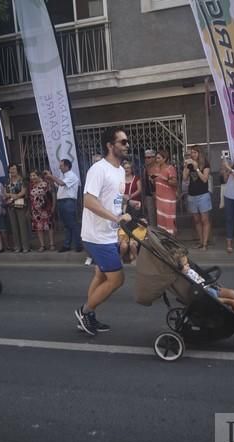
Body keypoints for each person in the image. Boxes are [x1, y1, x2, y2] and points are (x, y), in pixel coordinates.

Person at [73, 127, 131, 336]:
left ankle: (87, 318)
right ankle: (84, 311)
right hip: (96, 236)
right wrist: (116, 218)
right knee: (117, 279)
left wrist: (127, 206)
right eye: (122, 142)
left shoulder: (120, 170)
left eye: (126, 141)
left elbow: (112, 198)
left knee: (100, 274)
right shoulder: (99, 169)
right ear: (110, 145)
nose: (127, 145)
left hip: (110, 233)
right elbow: (88, 201)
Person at [177, 254, 234, 321]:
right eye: (185, 265)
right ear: (181, 268)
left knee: (232, 292)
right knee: (233, 302)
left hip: (209, 287)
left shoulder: (189, 269)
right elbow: (183, 274)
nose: (188, 265)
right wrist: (182, 270)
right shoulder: (184, 274)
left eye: (188, 263)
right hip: (205, 293)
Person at [44, 159, 83, 253]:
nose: (59, 167)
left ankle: (78, 245)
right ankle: (67, 245)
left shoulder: (72, 176)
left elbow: (61, 183)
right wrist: (49, 179)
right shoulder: (63, 176)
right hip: (62, 202)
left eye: (61, 166)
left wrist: (51, 176)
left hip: (68, 202)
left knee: (72, 224)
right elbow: (58, 184)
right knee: (66, 225)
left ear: (66, 166)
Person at [183, 145, 212, 250]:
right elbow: (184, 178)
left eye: (195, 152)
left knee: (205, 219)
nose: (192, 154)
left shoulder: (205, 164)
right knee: (196, 220)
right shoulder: (190, 165)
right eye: (192, 153)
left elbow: (205, 179)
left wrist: (197, 169)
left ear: (200, 153)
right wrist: (186, 167)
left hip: (203, 195)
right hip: (192, 195)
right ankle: (200, 242)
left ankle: (205, 244)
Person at [5, 164, 31, 253]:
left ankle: (25, 247)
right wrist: (12, 196)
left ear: (18, 170)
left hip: (21, 205)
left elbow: (23, 192)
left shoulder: (22, 180)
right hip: (11, 206)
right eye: (10, 169)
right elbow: (5, 193)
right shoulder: (7, 181)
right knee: (14, 227)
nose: (12, 171)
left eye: (14, 169)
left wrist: (13, 196)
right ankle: (17, 246)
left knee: (22, 226)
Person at [152, 149, 178, 236]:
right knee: (161, 221)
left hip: (169, 199)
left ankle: (173, 243)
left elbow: (174, 183)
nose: (157, 160)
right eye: (156, 158)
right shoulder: (156, 169)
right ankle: (165, 244)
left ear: (165, 158)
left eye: (159, 158)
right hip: (159, 199)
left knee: (169, 221)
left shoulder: (170, 168)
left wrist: (164, 178)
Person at [29, 169, 56, 252]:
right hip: (35, 210)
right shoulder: (31, 186)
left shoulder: (46, 184)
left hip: (46, 209)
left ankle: (51, 244)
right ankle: (42, 245)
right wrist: (30, 209)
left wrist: (53, 206)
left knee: (49, 226)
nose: (32, 177)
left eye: (34, 175)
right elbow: (30, 198)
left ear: (39, 176)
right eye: (31, 176)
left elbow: (52, 195)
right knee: (39, 227)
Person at [142, 149, 158, 227]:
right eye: (145, 157)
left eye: (149, 157)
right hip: (149, 195)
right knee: (151, 216)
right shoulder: (145, 168)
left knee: (160, 215)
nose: (147, 159)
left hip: (159, 195)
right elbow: (145, 183)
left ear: (154, 158)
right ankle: (155, 234)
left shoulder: (158, 168)